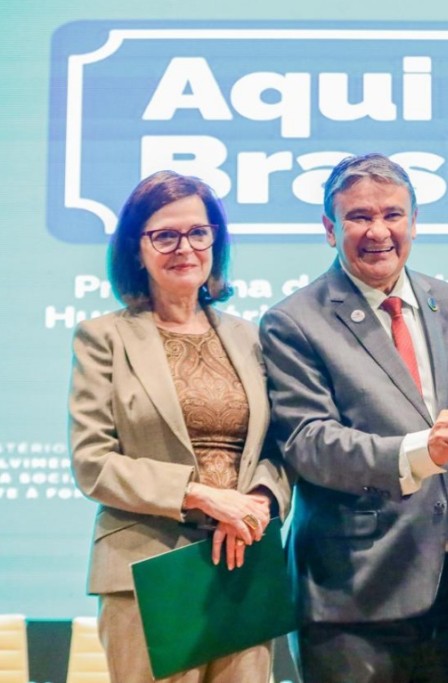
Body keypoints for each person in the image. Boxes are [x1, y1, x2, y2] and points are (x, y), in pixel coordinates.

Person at [259, 153, 448, 683]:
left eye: (392, 215)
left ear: (415, 222)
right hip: (353, 597)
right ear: (329, 229)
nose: (378, 231)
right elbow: (309, 441)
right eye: (359, 217)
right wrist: (420, 452)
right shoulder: (293, 321)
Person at [68, 171, 292, 681]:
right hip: (149, 570)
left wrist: (260, 501)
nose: (184, 248)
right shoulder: (102, 338)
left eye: (198, 233)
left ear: (216, 240)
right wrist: (201, 496)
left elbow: (279, 446)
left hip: (242, 561)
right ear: (137, 248)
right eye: (165, 235)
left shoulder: (252, 338)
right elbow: (92, 462)